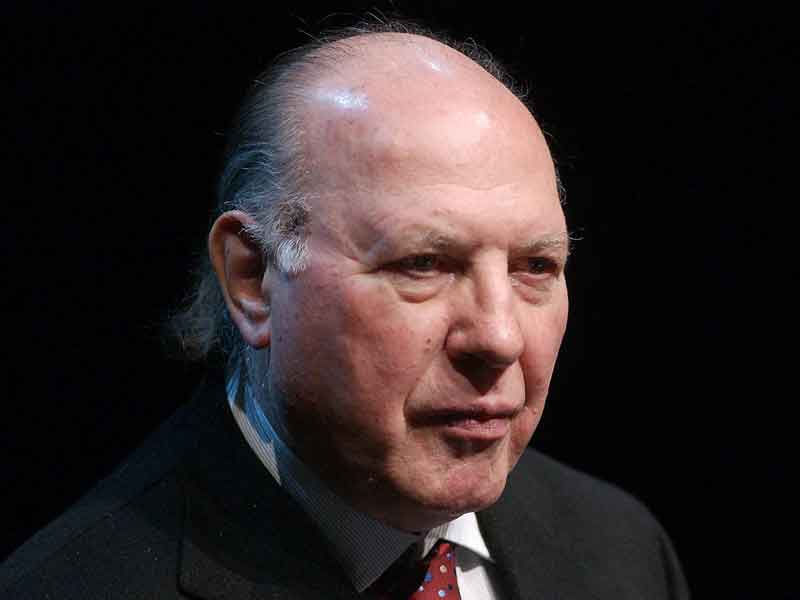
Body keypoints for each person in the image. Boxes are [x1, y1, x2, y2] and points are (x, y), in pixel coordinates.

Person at [1, 19, 690, 599]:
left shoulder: (622, 548)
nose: (500, 337)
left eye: (534, 267)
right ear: (254, 278)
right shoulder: (69, 584)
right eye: (424, 263)